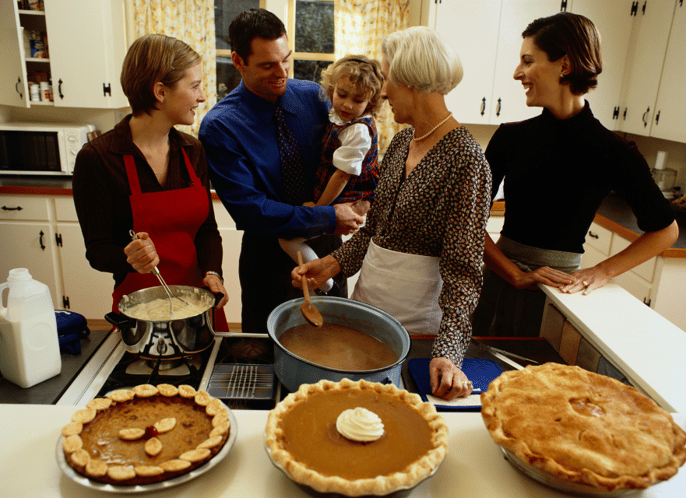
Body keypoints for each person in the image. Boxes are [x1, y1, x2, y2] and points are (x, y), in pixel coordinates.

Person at [292, 26, 492, 401]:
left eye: (387, 78)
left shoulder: (466, 158)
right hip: (369, 304)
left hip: (418, 324)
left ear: (411, 80)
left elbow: (464, 271)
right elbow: (374, 230)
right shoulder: (402, 141)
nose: (382, 91)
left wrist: (448, 354)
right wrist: (333, 263)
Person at [471, 12, 679, 337]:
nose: (517, 73)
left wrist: (601, 272)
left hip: (562, 295)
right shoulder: (510, 138)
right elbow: (467, 220)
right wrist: (515, 273)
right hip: (498, 284)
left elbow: (665, 231)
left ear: (564, 66)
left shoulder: (615, 152)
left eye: (528, 61)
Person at [199, 9, 365, 334]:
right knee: (266, 356)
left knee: (333, 348)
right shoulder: (220, 126)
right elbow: (251, 210)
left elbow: (353, 147)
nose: (281, 72)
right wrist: (330, 216)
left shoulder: (316, 98)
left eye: (285, 59)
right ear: (237, 61)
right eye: (267, 65)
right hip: (268, 261)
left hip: (327, 251)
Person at [73, 33, 230, 331]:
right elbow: (97, 250)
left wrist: (213, 272)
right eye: (194, 86)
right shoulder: (98, 158)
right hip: (141, 314)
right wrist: (127, 257)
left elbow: (207, 230)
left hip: (198, 307)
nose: (202, 97)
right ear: (160, 91)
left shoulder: (192, 151)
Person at [279, 54, 383, 293]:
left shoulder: (358, 130)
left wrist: (318, 209)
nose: (347, 104)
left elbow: (342, 176)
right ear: (332, 89)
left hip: (347, 198)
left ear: (370, 102)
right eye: (342, 94)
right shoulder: (341, 119)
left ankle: (323, 281)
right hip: (338, 195)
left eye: (357, 100)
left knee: (287, 237)